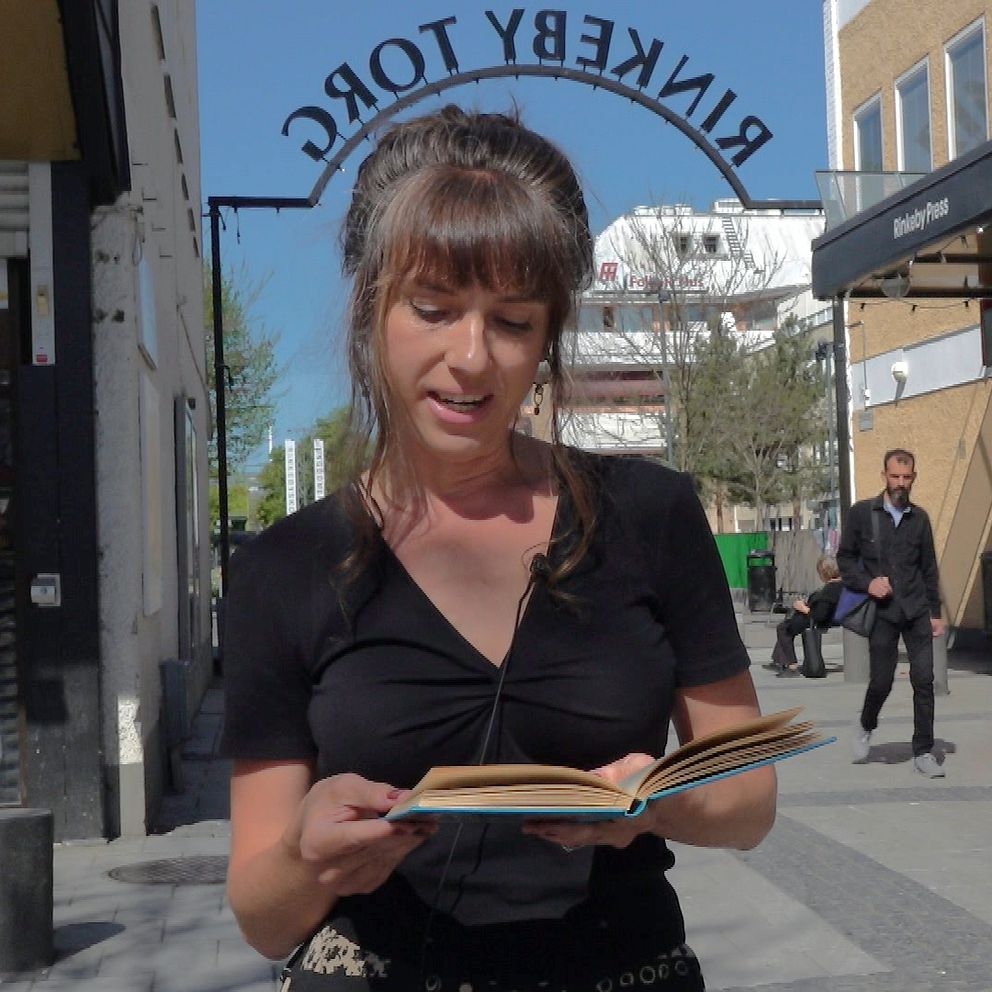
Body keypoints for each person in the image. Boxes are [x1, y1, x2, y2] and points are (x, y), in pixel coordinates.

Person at [220, 105, 777, 992]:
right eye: (433, 309)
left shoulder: (651, 513)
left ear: (548, 335)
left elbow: (748, 802)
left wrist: (654, 804)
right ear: (370, 310)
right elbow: (262, 915)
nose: (472, 357)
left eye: (513, 321)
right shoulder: (284, 568)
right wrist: (305, 855)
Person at [837, 448, 945, 777]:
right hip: (883, 613)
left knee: (924, 681)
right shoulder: (862, 514)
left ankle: (923, 752)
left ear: (914, 478)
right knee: (881, 682)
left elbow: (929, 568)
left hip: (916, 610)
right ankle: (866, 724)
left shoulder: (920, 519)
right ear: (884, 476)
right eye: (895, 476)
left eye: (906, 477)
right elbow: (844, 559)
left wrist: (935, 612)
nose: (900, 483)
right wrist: (867, 583)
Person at [763, 555, 842, 677]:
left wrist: (803, 608)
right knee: (787, 622)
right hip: (827, 618)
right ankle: (778, 659)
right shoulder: (841, 585)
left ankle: (792, 666)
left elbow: (820, 615)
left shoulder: (830, 590)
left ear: (824, 573)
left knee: (783, 628)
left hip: (817, 621)